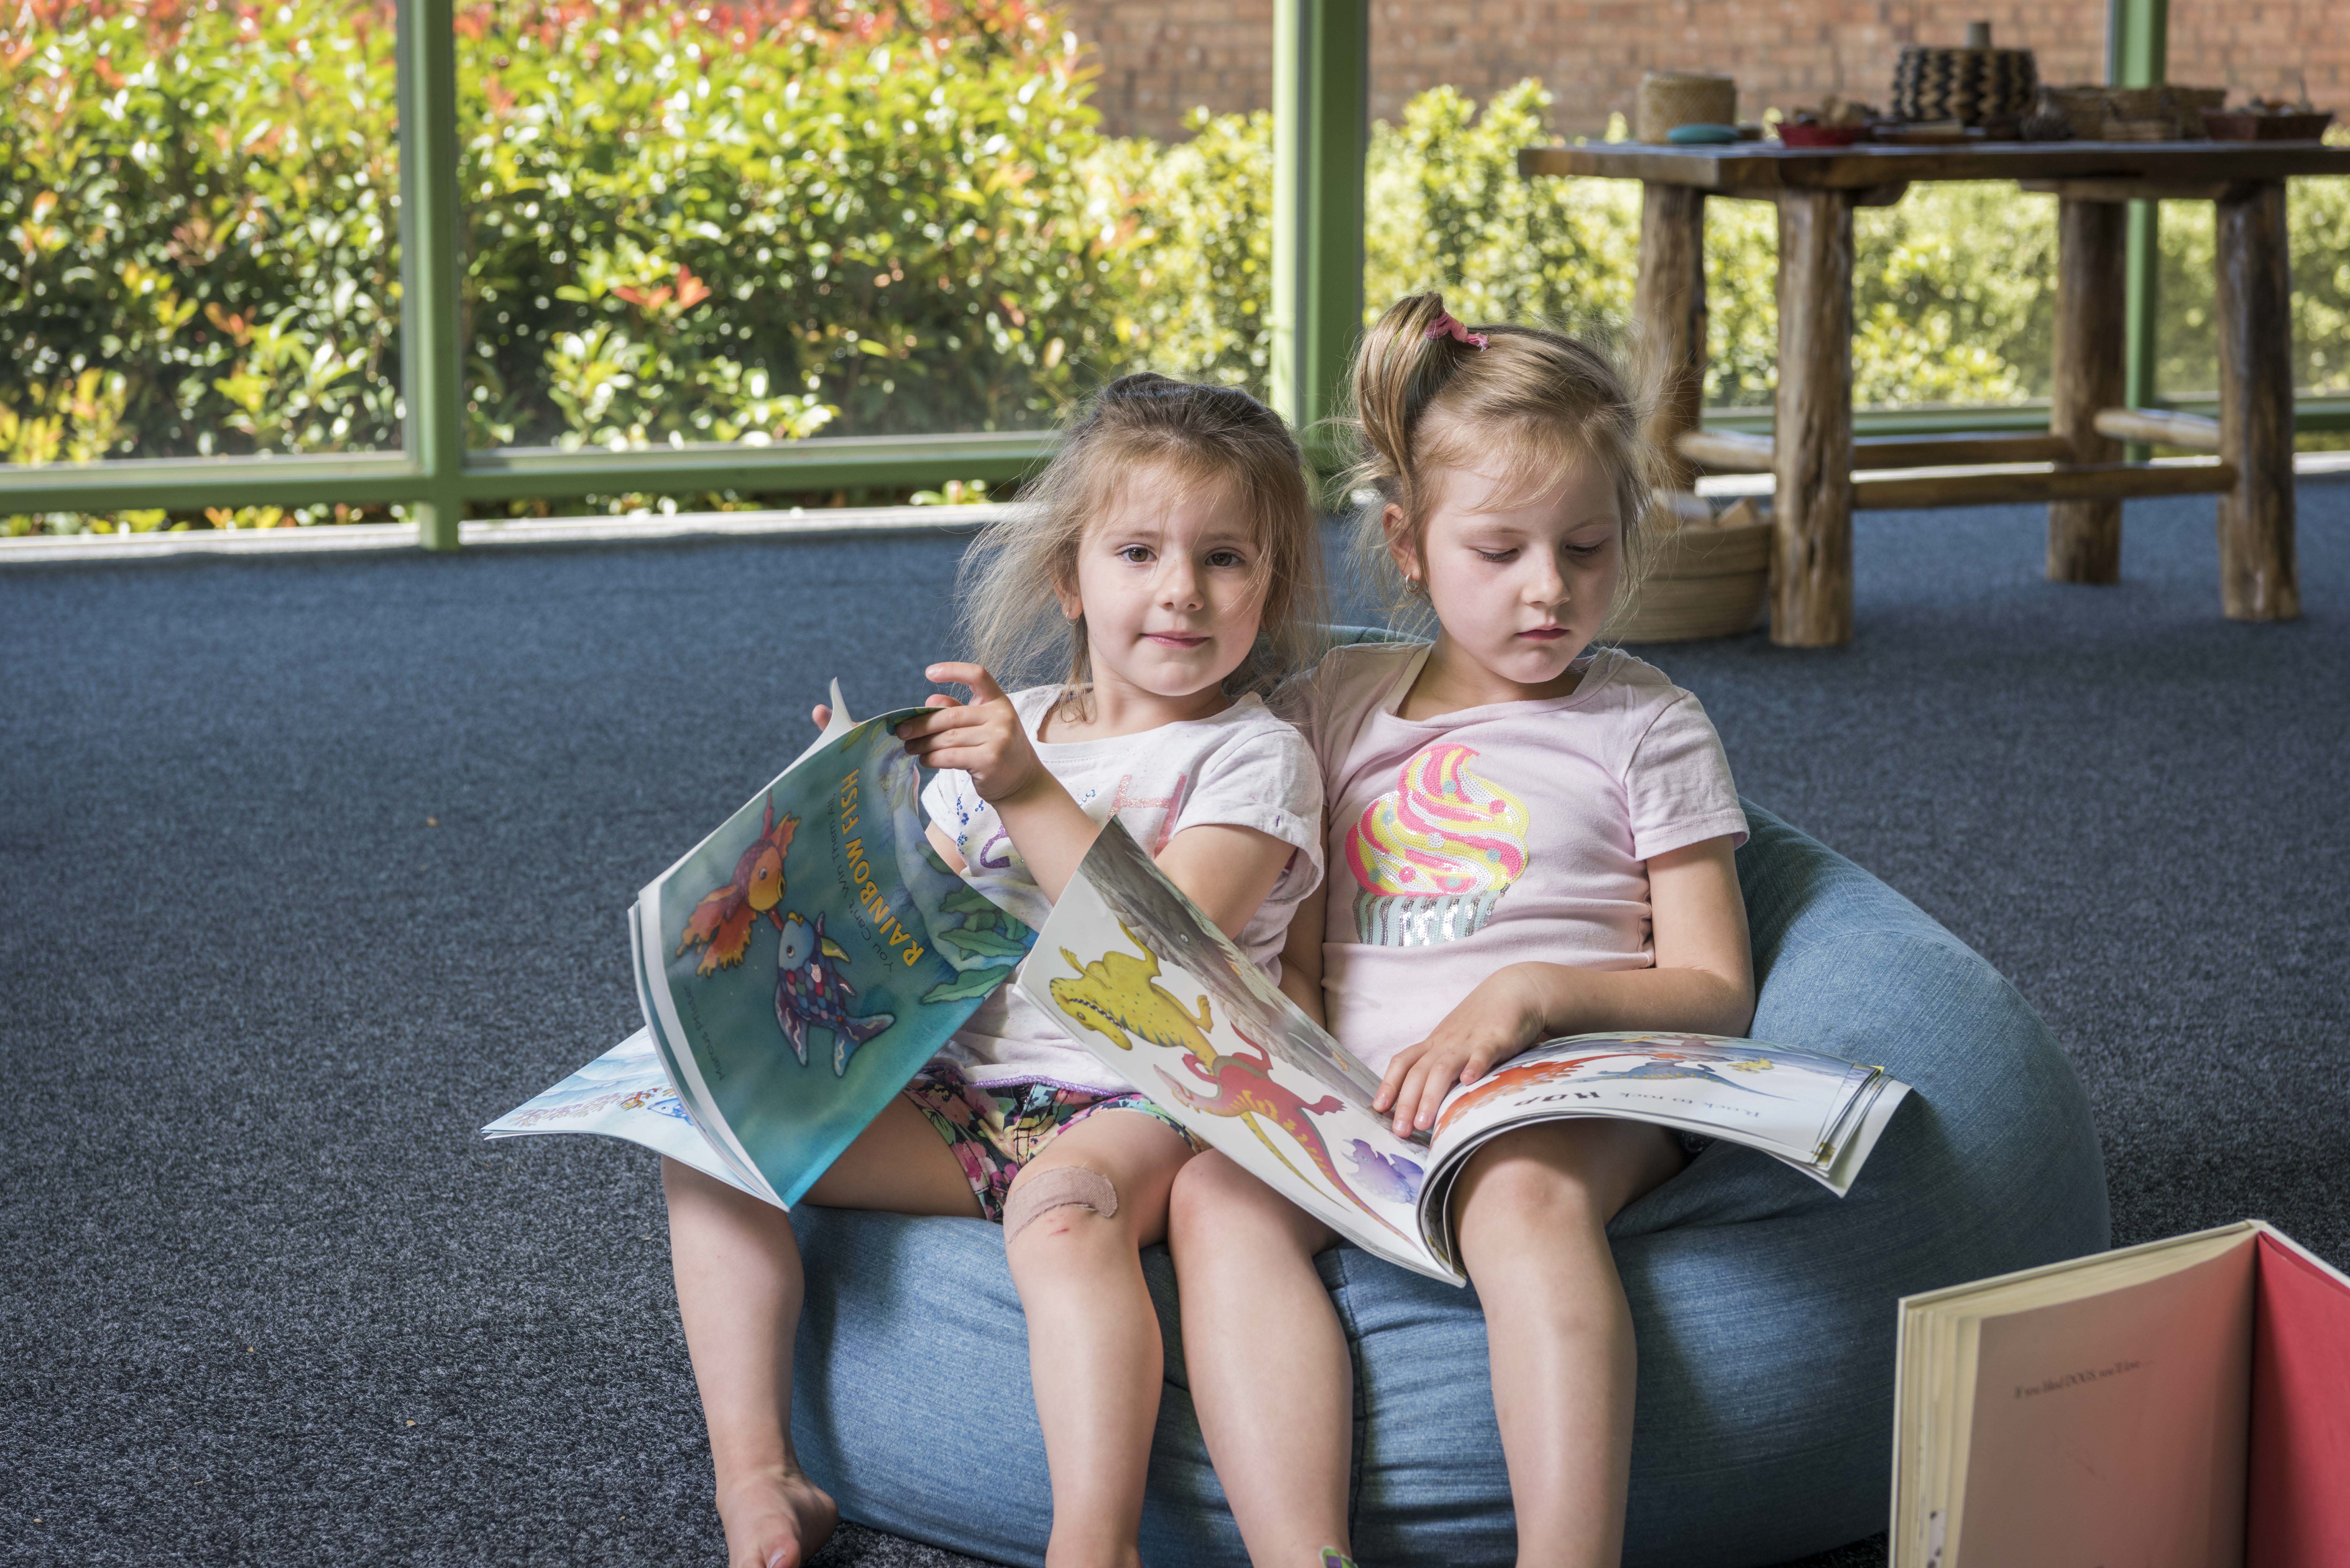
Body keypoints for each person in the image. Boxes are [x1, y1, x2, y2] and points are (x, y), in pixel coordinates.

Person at [661, 373, 1331, 1568]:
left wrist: (1024, 791)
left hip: (1152, 1098)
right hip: (960, 1086)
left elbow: (1163, 960)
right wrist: (826, 828)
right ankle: (759, 1473)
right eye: (1138, 551)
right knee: (710, 1131)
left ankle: (1095, 1543)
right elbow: (916, 910)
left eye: (1226, 559)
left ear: (1269, 586)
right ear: (1072, 576)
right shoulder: (1015, 719)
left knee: (1061, 1215)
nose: (1181, 590)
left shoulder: (1251, 759)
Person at [1167, 295, 1757, 1568]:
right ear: (1409, 544)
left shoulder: (1647, 724)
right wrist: (1298, 1084)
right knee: (1219, 1193)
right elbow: (1303, 953)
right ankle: (1298, 1552)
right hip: (1368, 1100)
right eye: (1500, 551)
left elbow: (1715, 985)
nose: (1550, 590)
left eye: (1587, 548)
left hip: (1561, 1083)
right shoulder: (1334, 705)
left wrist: (1532, 997)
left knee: (1521, 1199)